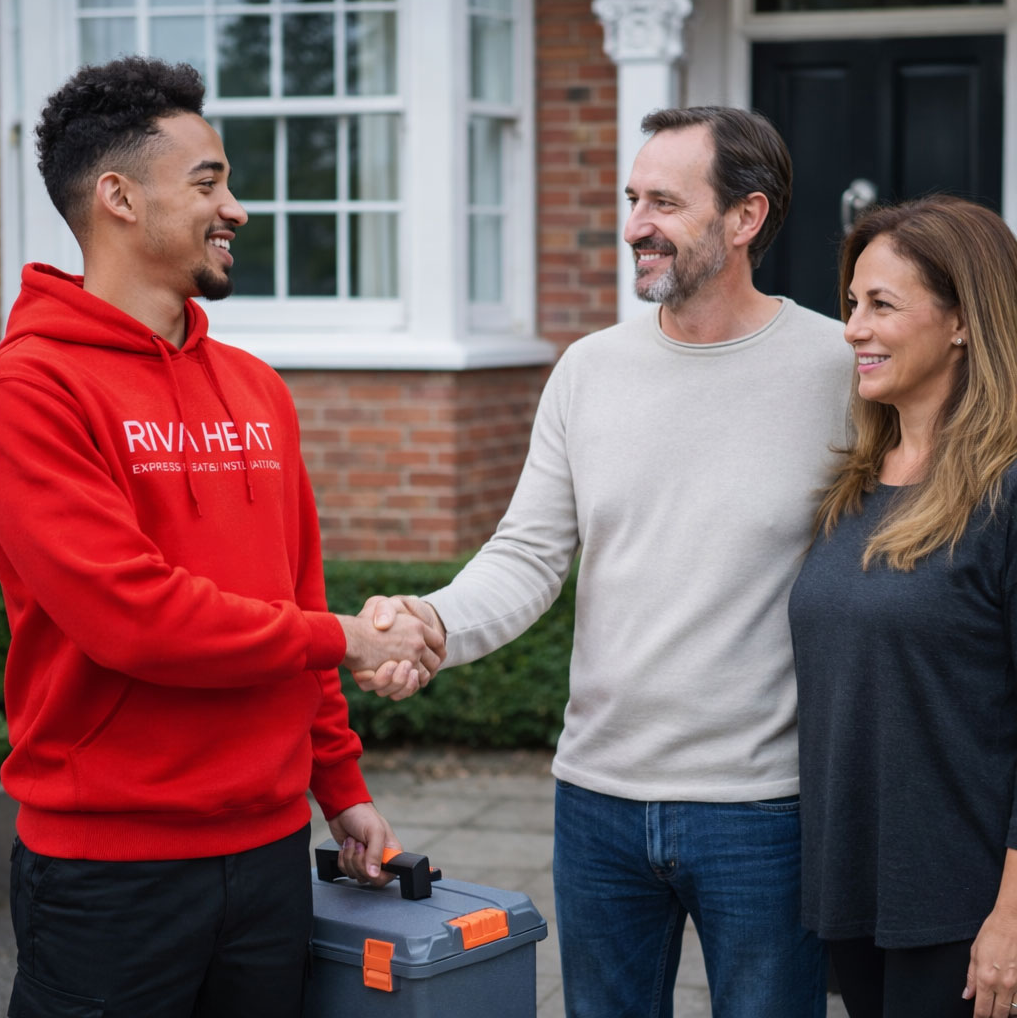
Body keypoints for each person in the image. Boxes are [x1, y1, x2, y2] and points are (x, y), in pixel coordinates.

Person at [358, 106, 854, 1017]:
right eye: (632, 199)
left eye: (664, 202)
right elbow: (528, 553)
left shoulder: (840, 368)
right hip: (597, 801)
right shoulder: (589, 370)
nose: (634, 227)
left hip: (764, 808)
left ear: (745, 217)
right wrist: (432, 623)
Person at [0, 56, 444, 1018]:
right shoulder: (30, 391)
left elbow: (296, 595)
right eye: (208, 183)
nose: (235, 208)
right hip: (111, 873)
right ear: (119, 197)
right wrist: (350, 638)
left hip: (270, 856)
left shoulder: (255, 388)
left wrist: (340, 785)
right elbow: (134, 618)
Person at [788, 195, 1017, 1018]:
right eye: (853, 303)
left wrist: (1011, 918)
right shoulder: (854, 484)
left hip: (964, 908)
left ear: (963, 321)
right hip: (856, 891)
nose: (853, 328)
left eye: (882, 304)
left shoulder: (1005, 492)